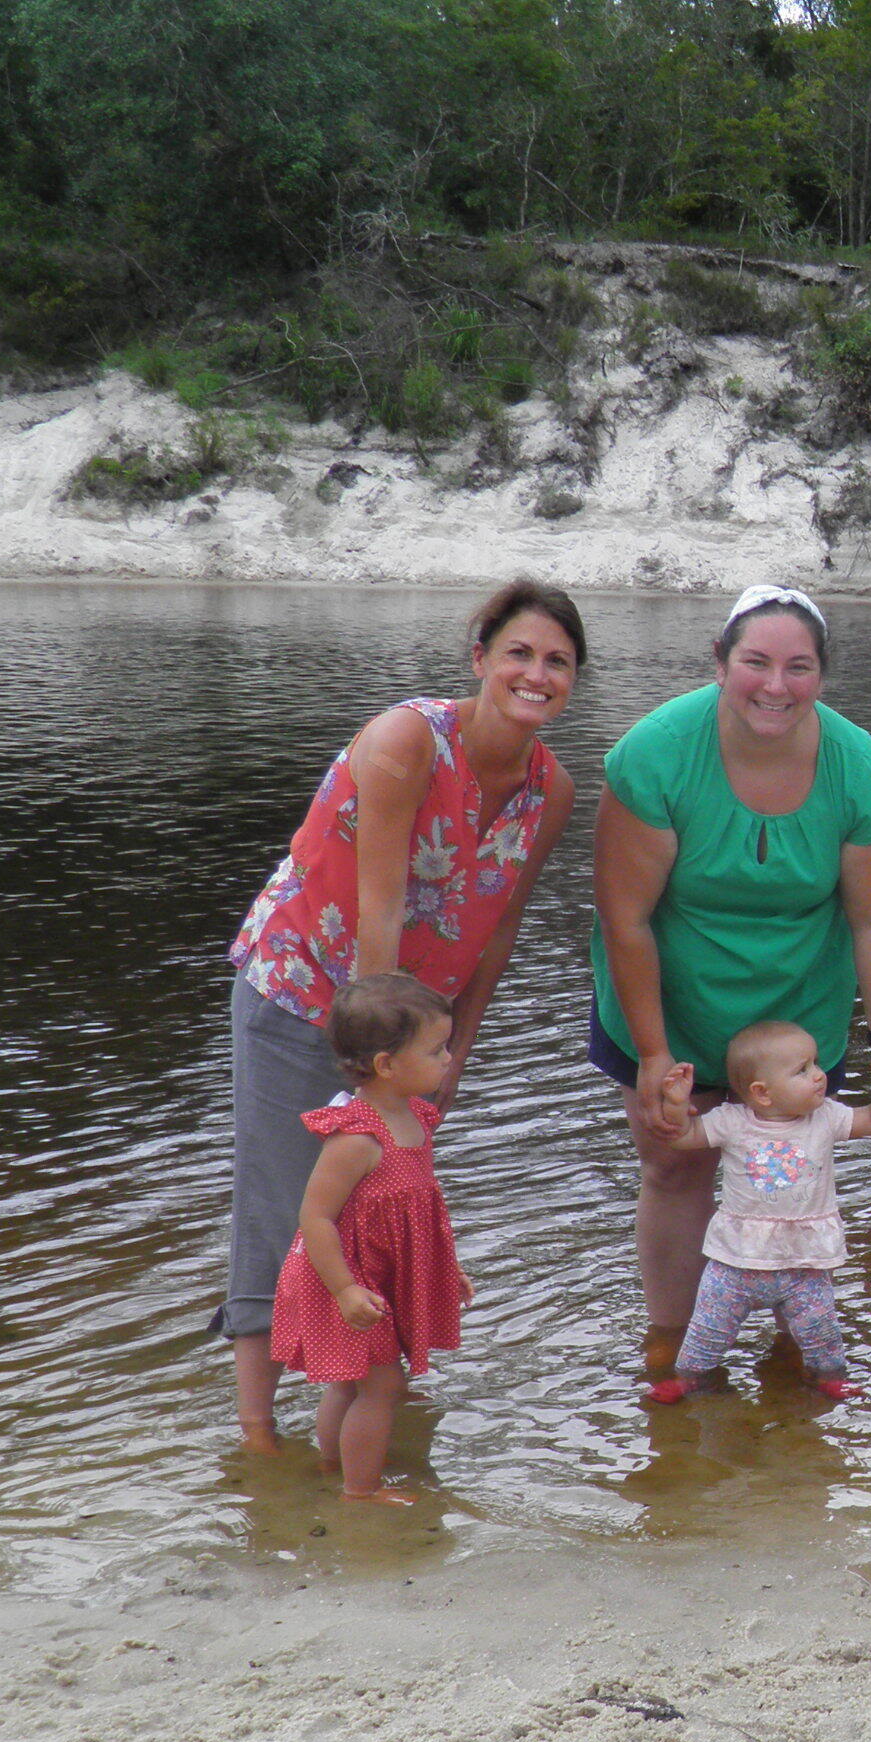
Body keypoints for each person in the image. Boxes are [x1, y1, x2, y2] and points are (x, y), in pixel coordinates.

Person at [221, 580, 582, 1454]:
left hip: (408, 1040)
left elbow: (494, 942)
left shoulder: (552, 790)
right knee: (285, 1208)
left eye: (557, 662)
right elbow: (378, 918)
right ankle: (260, 1439)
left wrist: (446, 1060)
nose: (536, 674)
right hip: (308, 994)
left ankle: (351, 1410)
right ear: (480, 659)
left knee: (376, 1211)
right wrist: (376, 1084)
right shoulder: (405, 741)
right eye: (519, 654)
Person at [591, 584, 871, 1371]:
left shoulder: (861, 772)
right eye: (757, 663)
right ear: (719, 662)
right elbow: (625, 918)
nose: (776, 686)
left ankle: (794, 1351)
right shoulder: (656, 752)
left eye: (799, 667)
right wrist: (653, 1054)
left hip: (797, 1010)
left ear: (822, 676)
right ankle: (673, 1350)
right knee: (674, 1161)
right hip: (668, 994)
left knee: (794, 1167)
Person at [641, 1021, 871, 1404]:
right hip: (736, 1261)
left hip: (804, 1263)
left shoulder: (826, 1118)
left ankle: (828, 1377)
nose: (819, 1075)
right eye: (802, 1070)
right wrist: (674, 1102)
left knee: (822, 1331)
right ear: (761, 1094)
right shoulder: (732, 1122)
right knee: (708, 1328)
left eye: (815, 1063)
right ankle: (690, 1377)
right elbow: (683, 1136)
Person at [268, 975, 469, 1505]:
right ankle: (361, 1490)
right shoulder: (357, 1137)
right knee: (381, 1387)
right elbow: (315, 1217)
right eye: (435, 1050)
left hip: (380, 1272)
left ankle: (335, 1466)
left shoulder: (416, 1116)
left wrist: (446, 1271)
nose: (448, 1058)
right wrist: (344, 1290)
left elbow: (418, 1209)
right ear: (386, 1065)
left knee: (351, 1382)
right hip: (346, 1277)